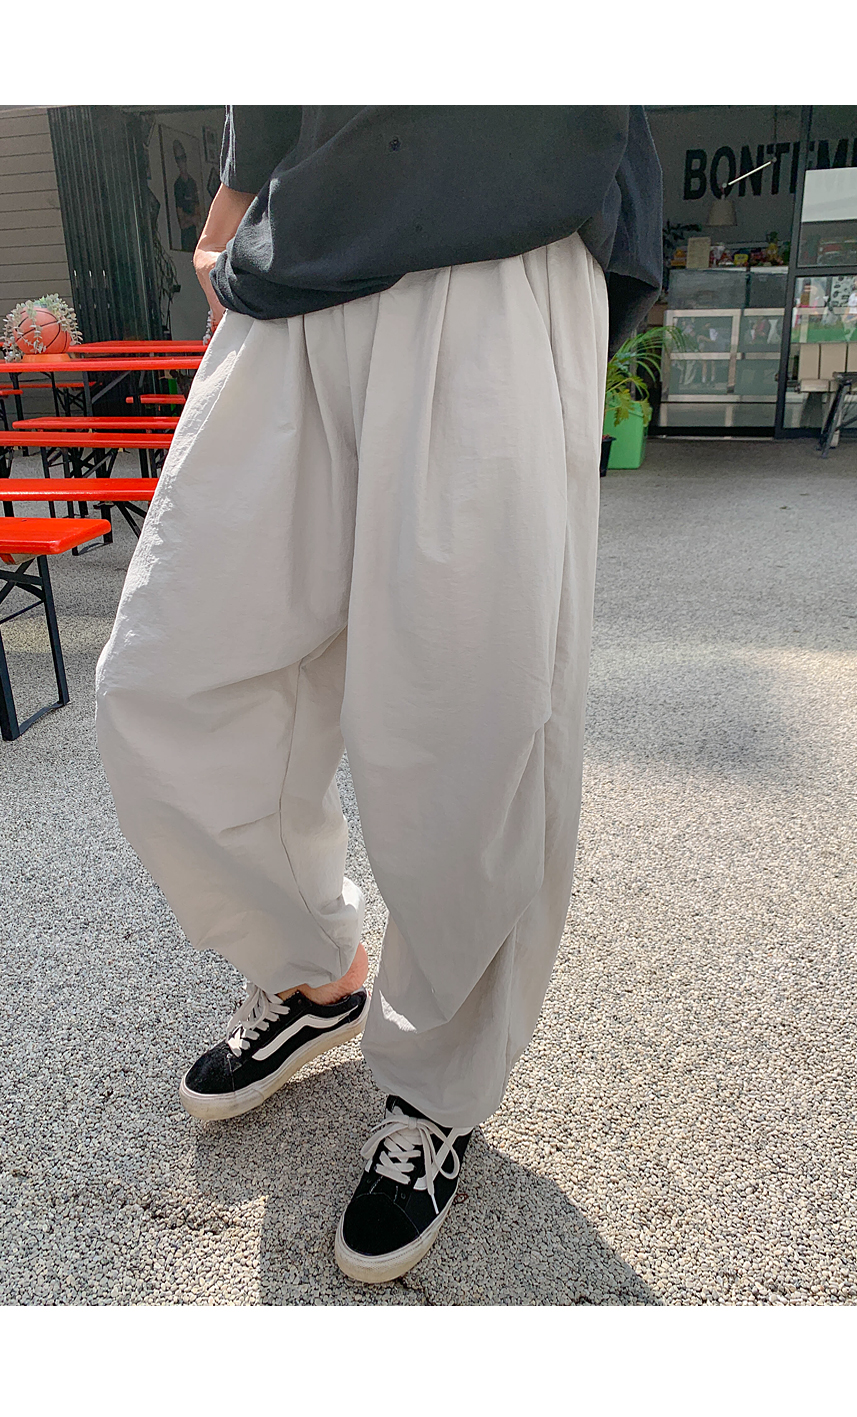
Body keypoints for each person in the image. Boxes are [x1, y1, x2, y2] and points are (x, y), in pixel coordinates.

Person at [95, 106, 662, 1285]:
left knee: (473, 717)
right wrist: (230, 215)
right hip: (298, 255)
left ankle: (438, 1085)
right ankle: (315, 971)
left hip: (500, 231)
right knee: (172, 673)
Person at [172, 139, 202, 253]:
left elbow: (198, 215)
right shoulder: (178, 185)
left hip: (196, 234)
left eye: (183, 157)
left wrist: (192, 219)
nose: (182, 162)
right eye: (179, 159)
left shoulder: (192, 183)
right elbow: (182, 221)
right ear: (176, 162)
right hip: (186, 236)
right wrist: (192, 219)